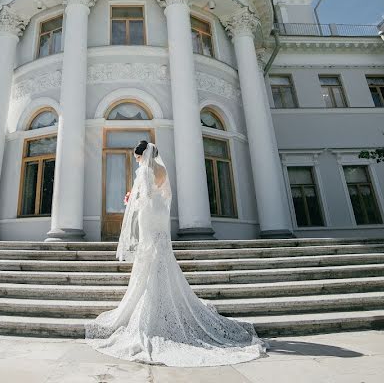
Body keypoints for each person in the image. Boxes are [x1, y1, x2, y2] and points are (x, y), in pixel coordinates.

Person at [85, 140, 266, 367]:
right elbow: (164, 193)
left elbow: (145, 195)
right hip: (160, 213)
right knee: (161, 252)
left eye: (137, 156)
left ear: (143, 155)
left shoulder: (144, 170)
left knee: (148, 252)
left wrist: (131, 199)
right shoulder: (162, 169)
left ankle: (150, 300)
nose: (137, 160)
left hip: (149, 213)